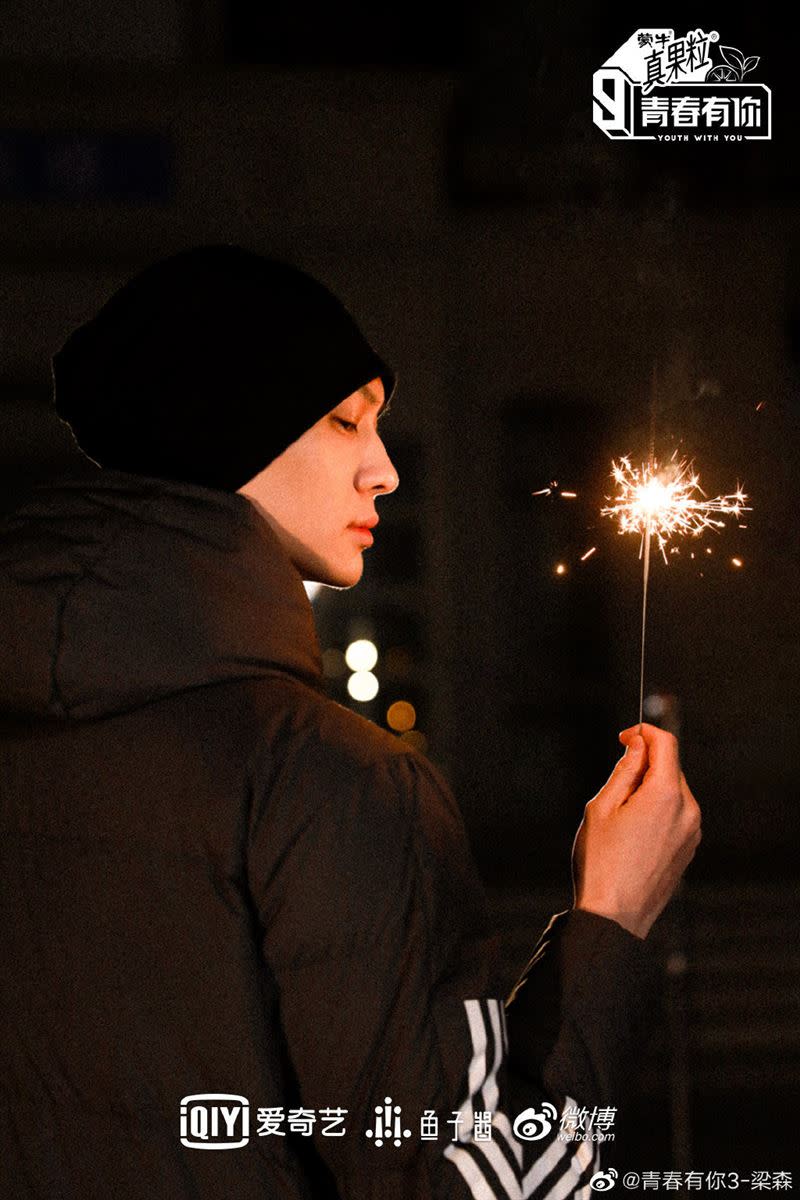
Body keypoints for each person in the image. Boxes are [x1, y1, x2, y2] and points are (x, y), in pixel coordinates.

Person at [0, 245, 700, 1200]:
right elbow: (477, 1187)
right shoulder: (329, 779)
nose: (384, 472)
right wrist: (615, 918)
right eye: (343, 421)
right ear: (223, 427)